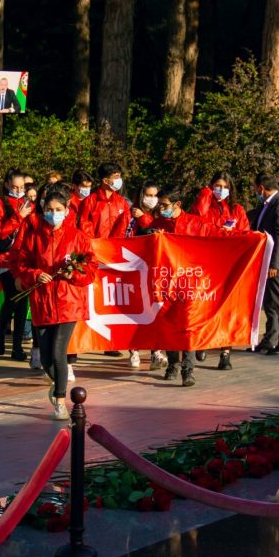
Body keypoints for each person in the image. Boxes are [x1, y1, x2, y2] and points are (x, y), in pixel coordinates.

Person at [12, 190, 96, 420]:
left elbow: (90, 267)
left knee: (59, 351)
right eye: (49, 210)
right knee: (46, 357)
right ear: (43, 210)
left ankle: (60, 401)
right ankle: (56, 384)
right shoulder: (33, 236)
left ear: (67, 211)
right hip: (42, 301)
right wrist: (35, 274)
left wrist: (73, 273)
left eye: (58, 210)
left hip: (69, 301)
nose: (54, 214)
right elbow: (19, 263)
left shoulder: (77, 236)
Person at [149, 186, 220, 387]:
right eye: (160, 205)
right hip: (165, 283)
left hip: (190, 284)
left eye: (164, 205)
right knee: (168, 325)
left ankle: (188, 370)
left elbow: (218, 237)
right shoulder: (158, 223)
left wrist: (249, 235)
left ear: (177, 204)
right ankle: (173, 364)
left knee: (188, 326)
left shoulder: (196, 224)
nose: (160, 208)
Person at [191, 171, 251, 370]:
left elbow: (245, 233)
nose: (221, 190)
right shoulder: (204, 205)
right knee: (206, 307)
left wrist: (230, 233)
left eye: (225, 186)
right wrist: (206, 193)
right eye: (217, 185)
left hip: (229, 266)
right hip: (206, 264)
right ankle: (203, 342)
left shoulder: (237, 209)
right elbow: (197, 220)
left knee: (228, 310)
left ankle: (225, 352)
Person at [76, 163, 131, 358]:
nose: (118, 180)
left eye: (119, 176)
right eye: (115, 176)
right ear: (105, 180)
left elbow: (124, 227)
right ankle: (85, 337)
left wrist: (113, 248)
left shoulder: (122, 203)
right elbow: (83, 225)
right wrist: (96, 246)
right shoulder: (90, 201)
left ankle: (110, 342)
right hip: (93, 254)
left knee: (110, 299)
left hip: (113, 256)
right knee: (90, 297)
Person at [0, 170, 34, 361]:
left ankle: (15, 346)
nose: (18, 191)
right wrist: (18, 216)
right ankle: (2, 332)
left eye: (22, 187)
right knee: (13, 297)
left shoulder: (29, 204)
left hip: (24, 260)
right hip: (5, 260)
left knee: (22, 301)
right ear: (7, 184)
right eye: (15, 187)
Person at [126, 181, 167, 371]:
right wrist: (140, 218)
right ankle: (133, 350)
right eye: (148, 195)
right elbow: (127, 237)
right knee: (135, 311)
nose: (151, 199)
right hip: (135, 269)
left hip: (156, 270)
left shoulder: (160, 214)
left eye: (154, 195)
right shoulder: (132, 214)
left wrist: (145, 218)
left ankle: (156, 352)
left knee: (155, 311)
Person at [251, 172, 279, 356]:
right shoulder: (266, 205)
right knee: (269, 302)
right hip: (266, 262)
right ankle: (269, 339)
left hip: (277, 263)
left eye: (255, 188)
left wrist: (274, 264)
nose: (254, 191)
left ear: (261, 187)